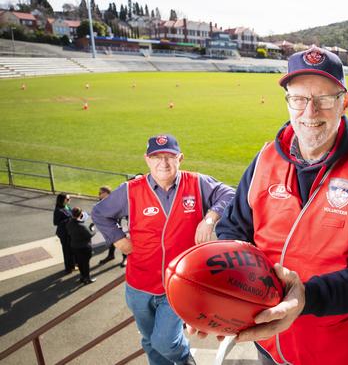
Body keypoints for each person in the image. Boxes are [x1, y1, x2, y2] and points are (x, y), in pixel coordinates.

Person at [213, 47, 348, 365]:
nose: (310, 112)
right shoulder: (264, 159)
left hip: (340, 350)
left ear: (344, 102)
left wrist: (306, 297)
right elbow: (233, 230)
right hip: (270, 343)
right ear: (288, 102)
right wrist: (219, 289)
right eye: (300, 99)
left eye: (324, 99)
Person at [91, 134, 235, 365]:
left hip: (178, 284)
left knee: (164, 341)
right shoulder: (131, 190)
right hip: (139, 285)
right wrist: (117, 239)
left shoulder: (197, 183)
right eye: (157, 157)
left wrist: (209, 218)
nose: (163, 163)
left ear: (180, 158)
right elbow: (99, 213)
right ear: (147, 160)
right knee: (149, 341)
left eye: (169, 156)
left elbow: (229, 194)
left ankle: (186, 360)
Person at [96, 186, 127, 268]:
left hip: (115, 225)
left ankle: (126, 258)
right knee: (111, 241)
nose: (98, 194)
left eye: (100, 193)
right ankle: (111, 255)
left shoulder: (115, 201)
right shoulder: (101, 202)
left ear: (107, 194)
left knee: (122, 242)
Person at [66, 207, 96, 284]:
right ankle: (87, 278)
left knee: (79, 263)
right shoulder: (81, 226)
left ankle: (82, 277)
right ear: (80, 214)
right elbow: (90, 235)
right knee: (85, 263)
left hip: (75, 246)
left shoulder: (69, 223)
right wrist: (92, 229)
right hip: (84, 247)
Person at [53, 192, 75, 273]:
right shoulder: (58, 210)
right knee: (67, 250)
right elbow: (56, 222)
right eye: (68, 199)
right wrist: (69, 219)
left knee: (72, 249)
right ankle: (68, 268)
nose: (69, 200)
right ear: (63, 200)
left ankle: (73, 265)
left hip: (70, 232)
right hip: (64, 233)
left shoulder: (67, 206)